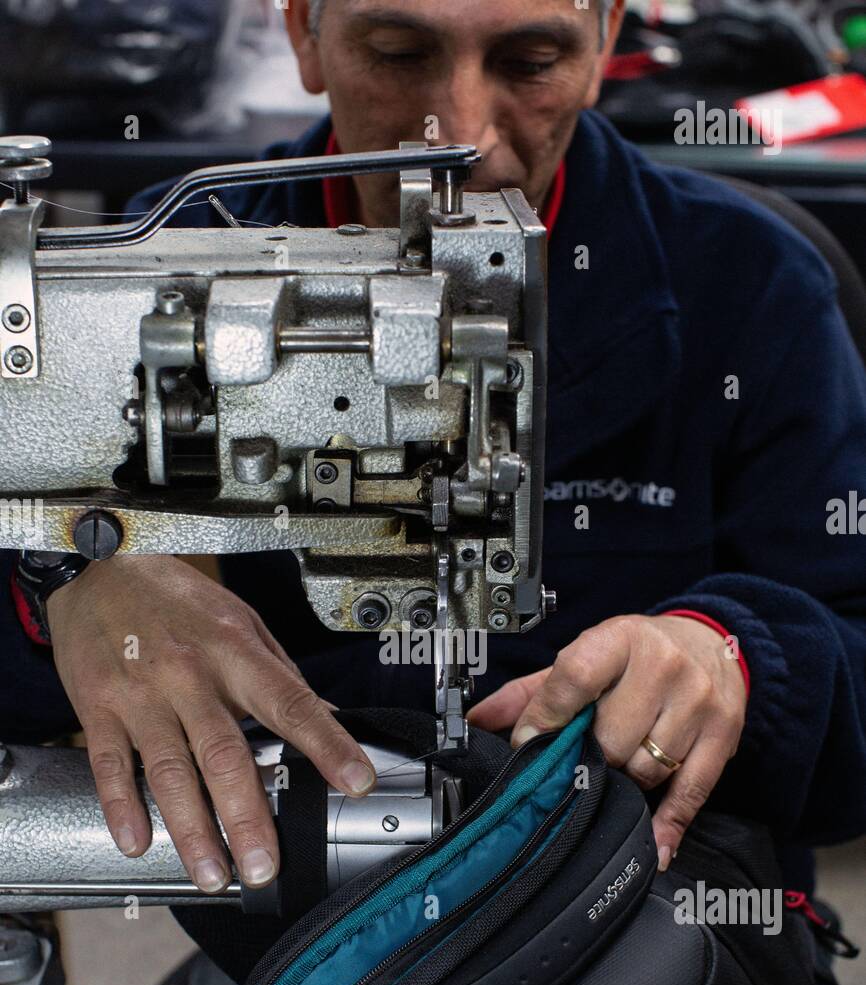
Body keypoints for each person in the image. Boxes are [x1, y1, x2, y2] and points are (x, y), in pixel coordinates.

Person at [4, 0, 866, 908]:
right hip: (305, 938)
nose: (459, 135)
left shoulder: (751, 285)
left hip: (657, 923)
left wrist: (733, 656)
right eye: (398, 53)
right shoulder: (154, 278)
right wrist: (72, 580)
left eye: (531, 62)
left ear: (607, 36)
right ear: (304, 32)